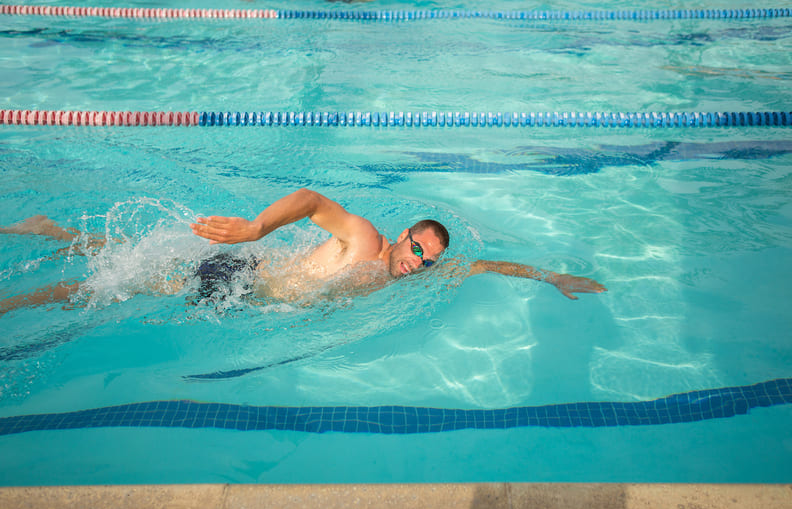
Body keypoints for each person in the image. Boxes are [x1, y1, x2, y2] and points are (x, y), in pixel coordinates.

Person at [0, 188, 605, 315]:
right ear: (401, 236)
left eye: (427, 259)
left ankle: (50, 231)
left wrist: (550, 277)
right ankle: (14, 304)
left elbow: (481, 265)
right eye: (417, 247)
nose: (418, 261)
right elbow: (314, 201)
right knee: (118, 286)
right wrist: (256, 229)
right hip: (241, 277)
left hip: (256, 296)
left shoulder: (412, 276)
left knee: (131, 264)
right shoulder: (367, 241)